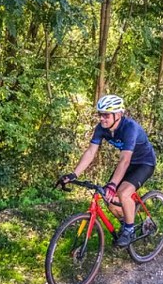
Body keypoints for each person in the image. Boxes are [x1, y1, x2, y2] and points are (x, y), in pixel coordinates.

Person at [57, 94, 157, 247]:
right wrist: (73, 174)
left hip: (144, 163)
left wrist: (112, 184)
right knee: (110, 201)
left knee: (123, 193)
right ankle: (128, 220)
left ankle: (129, 230)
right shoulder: (101, 128)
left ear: (118, 115)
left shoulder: (130, 128)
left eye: (106, 115)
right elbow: (91, 152)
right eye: (100, 114)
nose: (102, 118)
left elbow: (125, 160)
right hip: (128, 163)